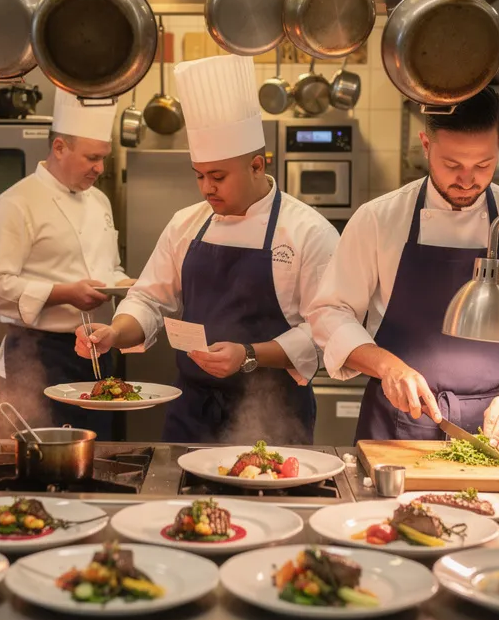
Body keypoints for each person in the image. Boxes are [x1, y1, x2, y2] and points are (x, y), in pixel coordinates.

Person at [75, 54, 339, 444]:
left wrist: (248, 354)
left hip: (274, 416)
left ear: (256, 164)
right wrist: (115, 332)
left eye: (218, 176)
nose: (206, 188)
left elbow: (324, 332)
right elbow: (148, 299)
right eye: (199, 175)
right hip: (191, 412)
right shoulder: (187, 223)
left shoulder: (308, 232)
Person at [308, 88, 499, 450]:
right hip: (397, 424)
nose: (467, 180)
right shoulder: (379, 219)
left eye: (483, 165)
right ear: (425, 144)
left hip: (495, 429)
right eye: (452, 165)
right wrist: (388, 367)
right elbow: (330, 312)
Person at [0, 89, 132, 436]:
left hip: (96, 354)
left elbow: (107, 269)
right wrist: (63, 293)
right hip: (38, 357)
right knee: (43, 462)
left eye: (104, 157)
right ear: (59, 147)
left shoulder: (100, 202)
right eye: (92, 157)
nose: (100, 168)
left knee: (95, 456)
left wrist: (125, 286)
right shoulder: (14, 205)